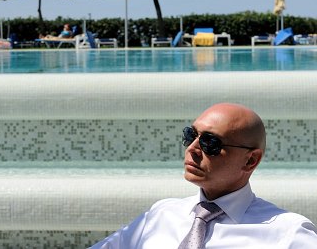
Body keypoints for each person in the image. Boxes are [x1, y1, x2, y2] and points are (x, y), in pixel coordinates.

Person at [91, 103, 317, 248]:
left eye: (210, 142)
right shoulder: (161, 215)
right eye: (191, 135)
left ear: (250, 160)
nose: (192, 148)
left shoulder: (288, 234)